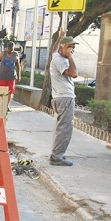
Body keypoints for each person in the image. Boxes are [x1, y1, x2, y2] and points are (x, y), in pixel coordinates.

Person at [49, 31, 78, 166]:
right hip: (65, 97)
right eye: (69, 47)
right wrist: (70, 57)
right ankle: (57, 157)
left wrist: (60, 37)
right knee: (65, 129)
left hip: (60, 97)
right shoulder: (61, 60)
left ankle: (57, 153)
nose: (71, 49)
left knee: (62, 127)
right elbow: (74, 74)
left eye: (73, 47)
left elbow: (53, 49)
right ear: (63, 48)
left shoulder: (56, 55)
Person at [0, 42, 21, 110]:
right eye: (9, 49)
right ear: (7, 48)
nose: (10, 50)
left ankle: (7, 106)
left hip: (11, 77)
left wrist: (19, 75)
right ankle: (0, 102)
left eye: (11, 49)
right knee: (1, 91)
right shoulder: (2, 54)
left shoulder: (16, 54)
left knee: (10, 92)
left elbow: (18, 65)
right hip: (3, 76)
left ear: (13, 48)